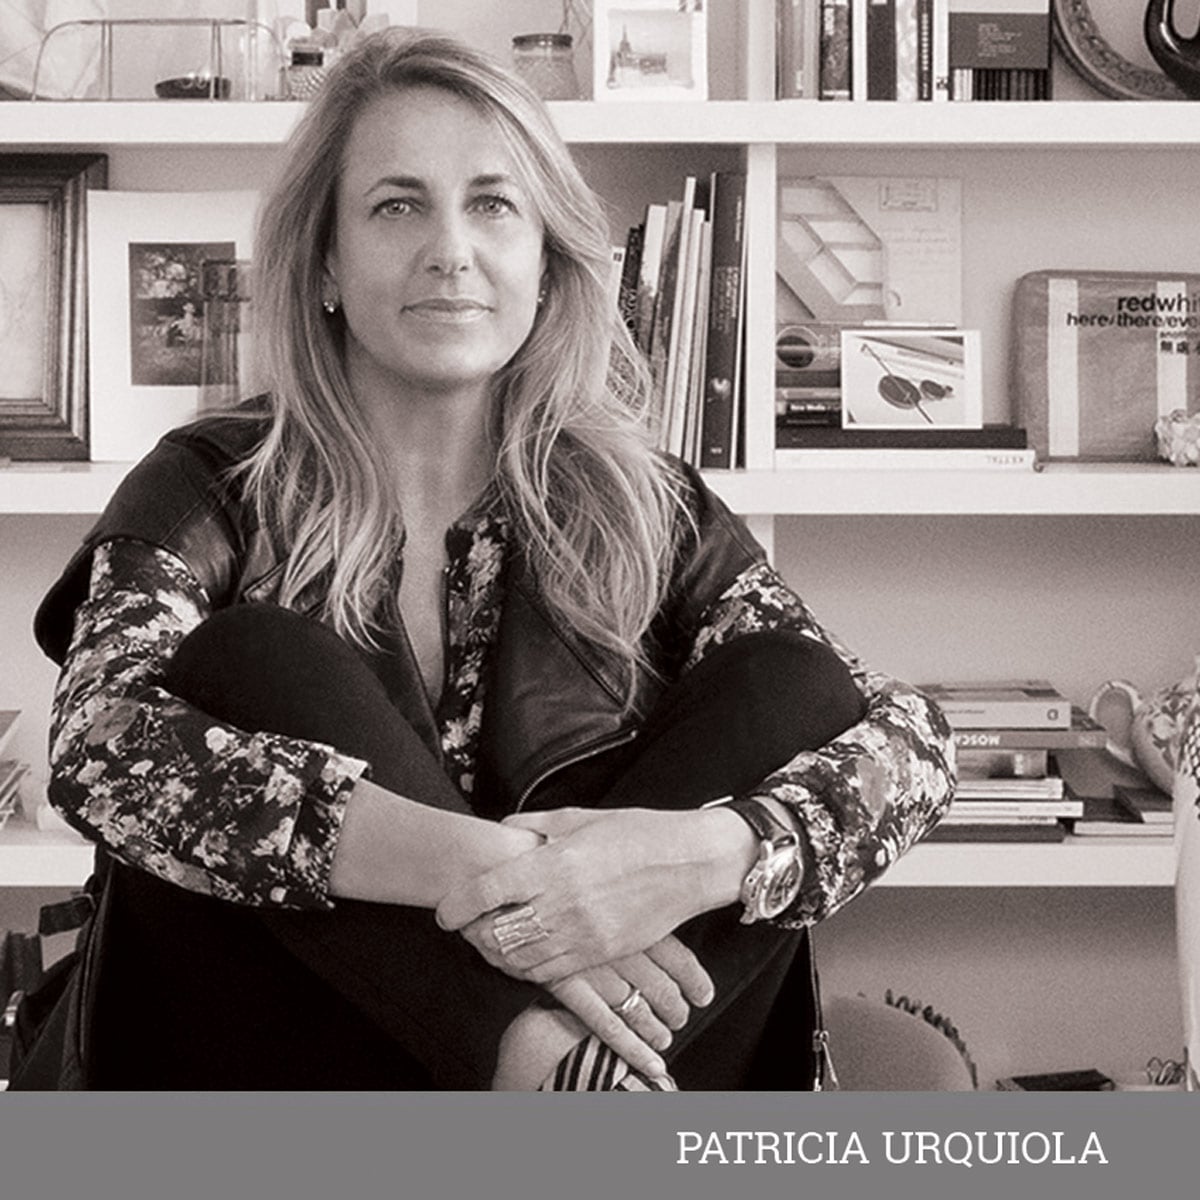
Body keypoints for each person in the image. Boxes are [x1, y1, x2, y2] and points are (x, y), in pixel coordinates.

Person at [29, 29, 954, 1091]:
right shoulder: (214, 482)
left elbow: (911, 748)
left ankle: (568, 1084)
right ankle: (539, 1067)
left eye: (493, 205)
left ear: (546, 260)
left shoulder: (643, 503)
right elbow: (100, 747)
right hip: (298, 1075)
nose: (451, 250)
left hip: (641, 1060)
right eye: (397, 206)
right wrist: (507, 876)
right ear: (325, 261)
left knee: (793, 684)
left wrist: (694, 858)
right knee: (254, 663)